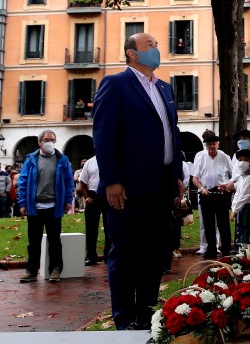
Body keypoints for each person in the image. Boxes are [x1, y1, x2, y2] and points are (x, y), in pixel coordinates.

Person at [92, 31, 184, 331]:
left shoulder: (165, 88)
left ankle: (146, 316)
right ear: (132, 53)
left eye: (156, 45)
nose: (156, 49)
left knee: (155, 253)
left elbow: (173, 134)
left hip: (161, 186)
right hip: (127, 188)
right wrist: (112, 180)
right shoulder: (116, 84)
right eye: (149, 45)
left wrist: (177, 175)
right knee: (125, 253)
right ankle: (123, 319)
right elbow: (104, 135)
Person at [17, 130, 75, 283]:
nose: (50, 142)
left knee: (54, 240)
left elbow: (69, 182)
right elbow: (23, 182)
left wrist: (68, 200)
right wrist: (22, 203)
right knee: (33, 242)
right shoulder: (31, 159)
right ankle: (31, 271)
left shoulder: (62, 159)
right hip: (34, 207)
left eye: (53, 140)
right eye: (47, 139)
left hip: (54, 207)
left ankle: (55, 269)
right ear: (40, 142)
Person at [190, 133, 233, 260]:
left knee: (223, 223)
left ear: (218, 145)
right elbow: (195, 178)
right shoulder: (201, 158)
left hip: (221, 193)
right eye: (209, 145)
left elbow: (233, 175)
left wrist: (226, 185)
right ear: (206, 146)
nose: (211, 147)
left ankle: (226, 250)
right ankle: (211, 250)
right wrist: (201, 188)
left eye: (214, 144)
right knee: (208, 224)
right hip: (206, 193)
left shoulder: (224, 157)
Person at [76, 154, 109, 266]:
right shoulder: (89, 163)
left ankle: (108, 255)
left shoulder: (112, 159)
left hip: (108, 196)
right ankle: (91, 256)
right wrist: (86, 197)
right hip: (92, 197)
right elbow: (82, 182)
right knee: (91, 228)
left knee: (109, 228)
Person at [230, 149, 250, 259]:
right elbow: (237, 194)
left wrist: (235, 210)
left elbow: (244, 196)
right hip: (243, 208)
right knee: (242, 230)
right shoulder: (242, 177)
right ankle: (243, 254)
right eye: (239, 160)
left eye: (245, 160)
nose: (241, 162)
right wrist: (234, 208)